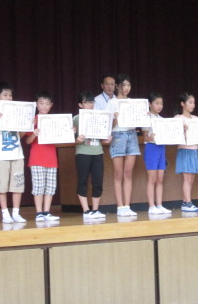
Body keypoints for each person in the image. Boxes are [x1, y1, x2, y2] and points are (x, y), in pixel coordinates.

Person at [0, 82, 27, 224]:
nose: (9, 98)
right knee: (2, 185)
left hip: (17, 154)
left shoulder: (17, 112)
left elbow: (20, 135)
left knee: (18, 185)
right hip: (1, 155)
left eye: (10, 95)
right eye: (5, 95)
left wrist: (25, 124)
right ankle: (5, 213)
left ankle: (16, 213)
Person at [73, 91, 111, 220]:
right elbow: (70, 138)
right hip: (83, 153)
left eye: (91, 102)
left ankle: (95, 209)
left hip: (97, 152)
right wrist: (76, 139)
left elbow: (103, 138)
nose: (90, 105)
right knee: (82, 180)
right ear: (80, 104)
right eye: (87, 102)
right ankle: (86, 210)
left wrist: (107, 139)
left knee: (98, 181)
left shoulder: (99, 117)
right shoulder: (76, 119)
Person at [107, 74, 140, 217]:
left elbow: (138, 121)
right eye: (124, 85)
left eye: (128, 85)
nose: (126, 88)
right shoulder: (112, 103)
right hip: (118, 135)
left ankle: (127, 205)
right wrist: (114, 118)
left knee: (128, 173)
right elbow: (107, 125)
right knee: (118, 173)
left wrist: (143, 116)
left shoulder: (133, 102)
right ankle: (120, 207)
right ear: (117, 86)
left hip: (132, 135)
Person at [25, 91, 60, 222]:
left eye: (47, 103)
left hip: (51, 158)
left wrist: (69, 131)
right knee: (38, 187)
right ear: (36, 104)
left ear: (51, 105)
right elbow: (27, 141)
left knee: (50, 187)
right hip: (37, 158)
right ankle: (39, 213)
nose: (44, 106)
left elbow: (61, 139)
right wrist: (34, 134)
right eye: (41, 103)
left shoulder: (56, 121)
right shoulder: (33, 120)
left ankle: (46, 212)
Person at [142, 92, 171, 215]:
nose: (159, 106)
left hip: (161, 148)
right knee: (152, 178)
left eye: (161, 104)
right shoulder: (146, 118)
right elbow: (145, 137)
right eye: (157, 103)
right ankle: (151, 206)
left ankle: (159, 204)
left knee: (160, 178)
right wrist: (150, 137)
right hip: (151, 148)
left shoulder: (162, 120)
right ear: (150, 104)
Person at [175, 92, 198, 212]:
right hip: (185, 150)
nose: (193, 105)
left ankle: (185, 201)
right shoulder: (178, 118)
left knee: (191, 179)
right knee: (186, 178)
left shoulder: (196, 119)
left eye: (194, 103)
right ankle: (188, 203)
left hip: (194, 150)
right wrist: (182, 130)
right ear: (183, 104)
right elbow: (174, 135)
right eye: (190, 102)